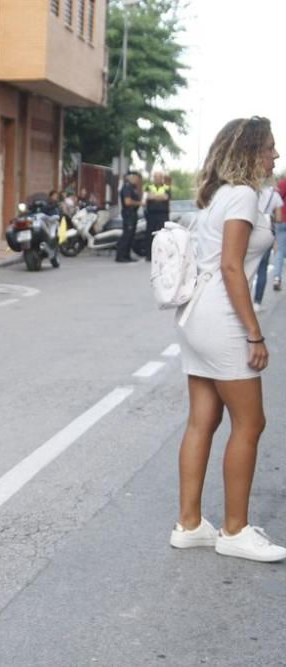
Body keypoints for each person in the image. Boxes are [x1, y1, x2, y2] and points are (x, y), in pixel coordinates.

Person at [169, 116, 286, 563]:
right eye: (269, 148)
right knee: (250, 424)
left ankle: (191, 524)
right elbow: (233, 267)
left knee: (203, 419)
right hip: (222, 318)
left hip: (197, 316)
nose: (275, 155)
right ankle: (235, 531)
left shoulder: (220, 195)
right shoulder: (240, 196)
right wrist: (254, 335)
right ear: (249, 152)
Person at [250, 185, 282, 311]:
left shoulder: (251, 191)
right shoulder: (275, 196)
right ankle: (257, 303)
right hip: (265, 231)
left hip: (251, 230)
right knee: (262, 268)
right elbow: (279, 218)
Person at [143, 170, 171, 261]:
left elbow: (166, 197)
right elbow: (147, 197)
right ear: (153, 178)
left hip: (163, 215)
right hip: (151, 215)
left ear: (162, 178)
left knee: (163, 235)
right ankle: (149, 256)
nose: (157, 179)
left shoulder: (166, 187)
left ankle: (163, 255)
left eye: (159, 177)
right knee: (150, 235)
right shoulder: (148, 187)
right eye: (156, 177)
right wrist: (160, 196)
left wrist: (154, 196)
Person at [116, 171, 141, 263]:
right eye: (136, 178)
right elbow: (128, 202)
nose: (137, 180)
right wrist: (139, 203)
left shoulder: (132, 188)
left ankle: (127, 256)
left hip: (132, 214)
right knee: (127, 235)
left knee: (131, 236)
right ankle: (120, 256)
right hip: (128, 214)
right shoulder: (127, 187)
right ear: (131, 177)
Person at [271, 175, 286, 291]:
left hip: (281, 220)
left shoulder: (281, 184)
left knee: (280, 251)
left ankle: (277, 278)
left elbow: (274, 202)